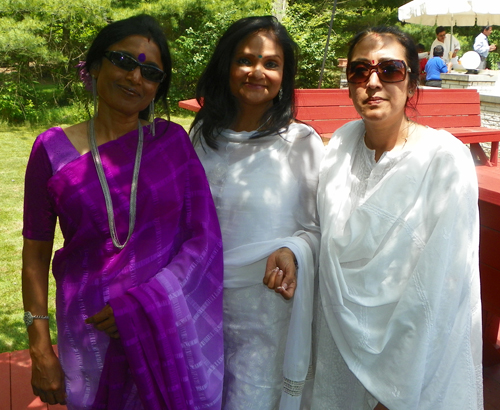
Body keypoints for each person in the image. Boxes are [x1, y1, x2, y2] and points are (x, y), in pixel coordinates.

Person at [22, 14, 224, 410]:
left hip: (165, 326)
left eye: (150, 72)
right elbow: (33, 259)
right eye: (124, 61)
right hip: (89, 329)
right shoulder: (51, 151)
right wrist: (40, 350)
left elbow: (203, 240)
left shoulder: (171, 143)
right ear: (95, 65)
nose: (136, 78)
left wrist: (144, 307)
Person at [313, 26, 482, 409]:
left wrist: (397, 389)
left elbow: (442, 289)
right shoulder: (339, 146)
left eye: (390, 70)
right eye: (360, 71)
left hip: (417, 359)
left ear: (412, 82)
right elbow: (321, 237)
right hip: (340, 345)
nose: (372, 82)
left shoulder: (443, 159)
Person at [190, 15, 324, 410]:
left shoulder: (301, 143)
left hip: (268, 313)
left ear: (284, 75)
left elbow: (323, 228)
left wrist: (293, 251)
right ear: (226, 65)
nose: (257, 72)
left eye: (271, 63)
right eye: (245, 60)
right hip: (202, 305)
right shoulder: (201, 137)